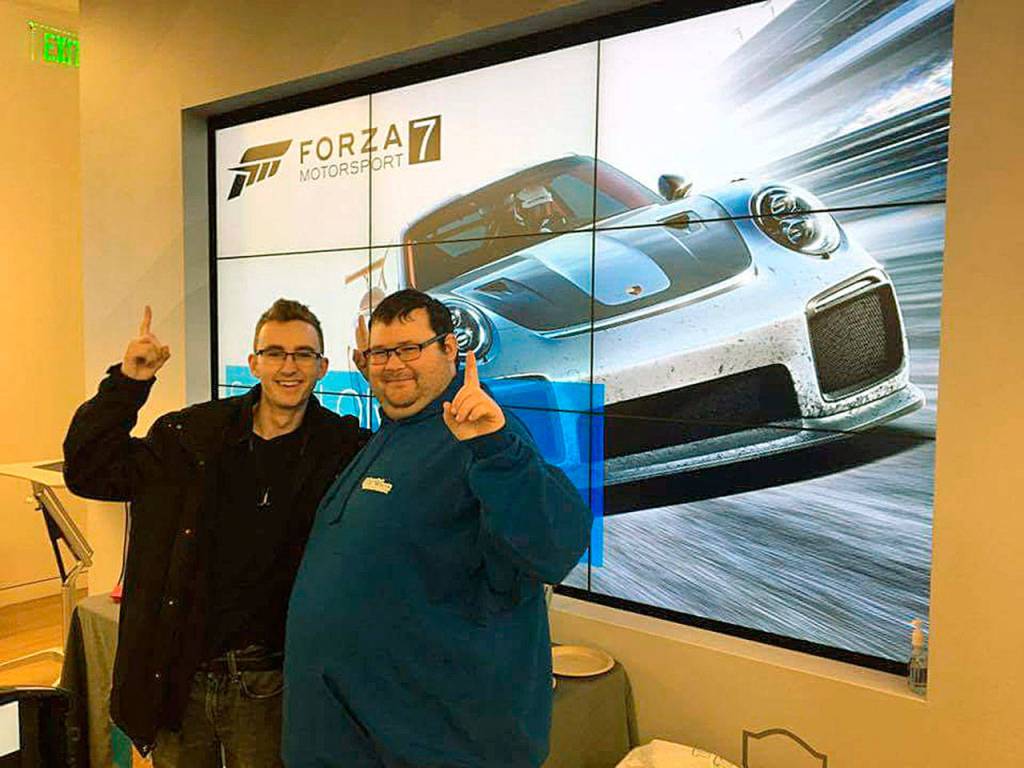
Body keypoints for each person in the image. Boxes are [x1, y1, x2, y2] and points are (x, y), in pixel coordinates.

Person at [283, 289, 592, 768]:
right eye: (380, 353)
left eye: (410, 349)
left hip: (433, 743)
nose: (392, 365)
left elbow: (552, 549)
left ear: (450, 348)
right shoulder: (393, 432)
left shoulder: (480, 434)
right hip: (349, 738)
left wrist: (498, 450)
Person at [62, 299, 367, 767]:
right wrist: (128, 383)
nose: (289, 366)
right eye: (275, 353)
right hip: (181, 676)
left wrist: (383, 379)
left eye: (303, 354)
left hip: (274, 681)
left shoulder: (342, 447)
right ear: (254, 363)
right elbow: (90, 472)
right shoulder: (191, 435)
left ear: (323, 366)